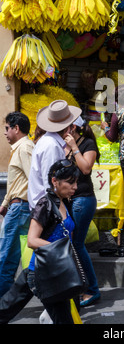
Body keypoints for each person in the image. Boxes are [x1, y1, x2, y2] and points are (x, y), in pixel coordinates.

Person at [27, 159, 80, 324]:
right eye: (70, 182)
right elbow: (31, 240)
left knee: (65, 315)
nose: (75, 187)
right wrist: (60, 249)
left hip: (60, 270)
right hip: (44, 273)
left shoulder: (65, 201)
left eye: (76, 182)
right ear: (54, 181)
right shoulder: (45, 204)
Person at [64, 116, 101, 307]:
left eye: (66, 126)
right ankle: (82, 287)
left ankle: (92, 290)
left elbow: (86, 169)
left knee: (77, 244)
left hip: (83, 199)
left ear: (74, 127)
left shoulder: (87, 144)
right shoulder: (65, 145)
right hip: (71, 200)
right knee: (73, 245)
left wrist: (74, 147)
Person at [0, 112, 34, 298]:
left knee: (6, 260)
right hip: (16, 206)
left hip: (21, 208)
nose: (5, 133)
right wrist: (5, 203)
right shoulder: (20, 148)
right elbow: (16, 182)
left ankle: (4, 304)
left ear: (16, 128)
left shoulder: (25, 148)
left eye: (7, 128)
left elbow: (33, 180)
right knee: (8, 258)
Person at [28, 99, 82, 209]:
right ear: (68, 128)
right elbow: (50, 182)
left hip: (45, 206)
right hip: (46, 208)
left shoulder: (48, 141)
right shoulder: (51, 145)